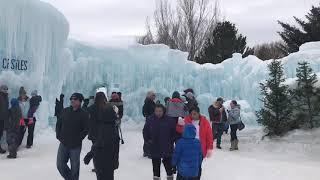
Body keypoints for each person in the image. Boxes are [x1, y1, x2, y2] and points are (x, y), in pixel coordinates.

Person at [84, 92, 120, 180]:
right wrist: (116, 161)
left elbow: (99, 143)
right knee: (109, 176)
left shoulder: (103, 126)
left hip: (100, 154)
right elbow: (116, 144)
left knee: (101, 175)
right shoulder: (113, 128)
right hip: (111, 158)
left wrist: (90, 155)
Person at [56, 93, 89, 180]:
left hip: (75, 145)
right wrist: (58, 135)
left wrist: (79, 138)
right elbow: (59, 123)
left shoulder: (84, 114)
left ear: (80, 101)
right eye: (71, 99)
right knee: (60, 164)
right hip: (64, 143)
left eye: (75, 99)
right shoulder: (65, 111)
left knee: (75, 167)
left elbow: (86, 129)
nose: (72, 100)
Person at [176, 106, 213, 179]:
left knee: (197, 167)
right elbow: (179, 131)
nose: (193, 116)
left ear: (199, 113)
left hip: (199, 149)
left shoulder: (205, 122)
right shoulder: (186, 120)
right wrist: (179, 124)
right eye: (191, 114)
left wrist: (209, 148)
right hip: (187, 148)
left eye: (195, 114)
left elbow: (209, 136)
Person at [143, 104, 176, 180]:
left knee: (169, 168)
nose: (158, 113)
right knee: (156, 169)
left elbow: (174, 133)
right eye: (156, 111)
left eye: (160, 111)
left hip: (167, 148)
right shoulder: (150, 119)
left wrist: (171, 141)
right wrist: (148, 141)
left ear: (163, 111)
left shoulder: (170, 120)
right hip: (155, 147)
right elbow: (145, 131)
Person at [142, 91, 156, 158]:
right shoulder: (148, 103)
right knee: (149, 136)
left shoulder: (150, 102)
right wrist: (149, 117)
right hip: (150, 121)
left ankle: (146, 151)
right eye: (153, 95)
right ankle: (149, 152)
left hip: (151, 121)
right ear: (150, 96)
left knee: (148, 135)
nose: (154, 96)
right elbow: (144, 112)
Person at [0, 85, 9, 154]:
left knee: (1, 133)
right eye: (4, 89)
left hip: (3, 118)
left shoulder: (6, 97)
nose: (5, 90)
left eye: (6, 89)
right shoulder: (1, 96)